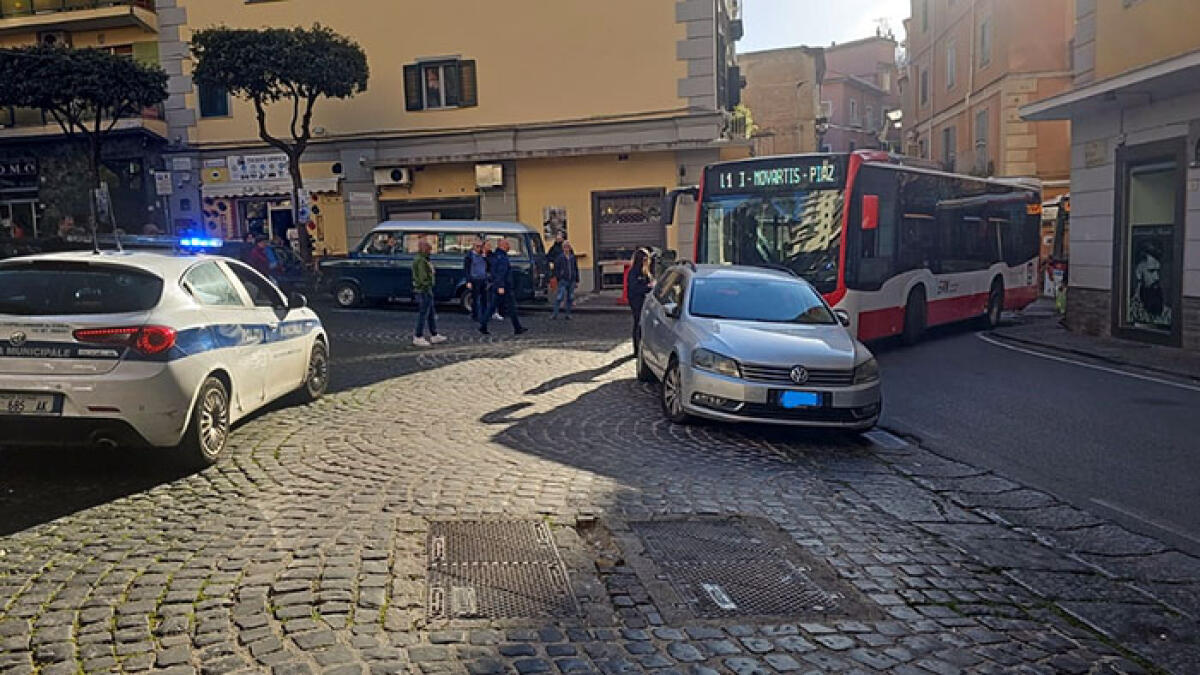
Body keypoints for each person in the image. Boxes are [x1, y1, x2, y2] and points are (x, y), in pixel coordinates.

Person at [480, 238, 526, 336]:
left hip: (500, 285)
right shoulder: (502, 258)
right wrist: (501, 286)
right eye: (507, 244)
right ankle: (517, 328)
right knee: (508, 307)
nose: (509, 246)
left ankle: (517, 327)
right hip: (504, 286)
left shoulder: (496, 256)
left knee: (494, 307)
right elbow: (500, 273)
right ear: (503, 246)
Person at [411, 239, 447, 347]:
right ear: (424, 249)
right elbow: (422, 278)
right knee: (423, 314)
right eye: (429, 249)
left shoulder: (422, 259)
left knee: (430, 313)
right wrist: (430, 280)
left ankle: (434, 334)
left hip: (425, 290)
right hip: (424, 290)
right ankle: (418, 336)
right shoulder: (421, 260)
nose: (430, 251)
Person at [1129, 246, 1172, 327]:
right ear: (1138, 273)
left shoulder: (1168, 314)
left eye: (1158, 271)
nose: (1157, 277)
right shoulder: (1128, 310)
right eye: (1151, 271)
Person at [627, 247, 653, 354]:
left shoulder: (644, 271)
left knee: (642, 323)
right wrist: (648, 287)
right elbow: (635, 288)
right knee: (638, 323)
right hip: (636, 300)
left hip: (643, 299)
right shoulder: (634, 272)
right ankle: (637, 348)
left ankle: (641, 347)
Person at [462, 235, 490, 323]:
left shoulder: (484, 255)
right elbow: (467, 269)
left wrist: (485, 257)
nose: (479, 248)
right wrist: (468, 281)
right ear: (474, 246)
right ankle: (476, 315)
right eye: (477, 246)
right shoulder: (469, 256)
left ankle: (485, 315)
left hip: (483, 278)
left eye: (480, 246)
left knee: (484, 299)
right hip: (474, 279)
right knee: (475, 298)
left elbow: (489, 266)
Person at [551, 240, 579, 320]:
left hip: (571, 280)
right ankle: (554, 314)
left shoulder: (572, 257)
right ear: (563, 248)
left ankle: (568, 314)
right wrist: (559, 277)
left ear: (570, 248)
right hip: (563, 280)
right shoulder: (560, 258)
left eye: (568, 247)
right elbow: (556, 269)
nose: (566, 249)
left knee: (570, 298)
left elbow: (575, 268)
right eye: (565, 247)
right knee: (560, 297)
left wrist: (577, 279)